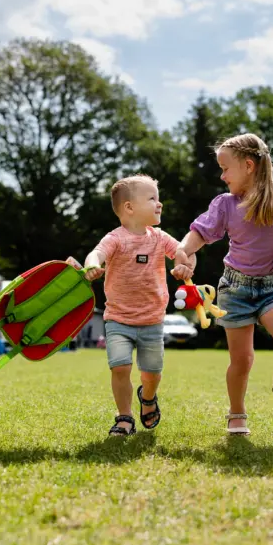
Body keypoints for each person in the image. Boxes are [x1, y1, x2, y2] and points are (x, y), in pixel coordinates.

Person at [176, 133, 273, 435]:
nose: (222, 176)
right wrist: (182, 251)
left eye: (226, 168)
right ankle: (236, 412)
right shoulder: (226, 204)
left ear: (249, 166)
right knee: (242, 360)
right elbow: (200, 232)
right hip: (235, 289)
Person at [82, 174, 193, 436]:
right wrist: (92, 265)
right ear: (129, 207)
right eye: (152, 198)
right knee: (120, 367)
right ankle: (124, 418)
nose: (160, 204)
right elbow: (96, 253)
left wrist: (182, 263)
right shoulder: (116, 238)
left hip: (152, 320)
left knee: (152, 373)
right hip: (118, 319)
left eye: (159, 198)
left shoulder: (159, 237)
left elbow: (181, 250)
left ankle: (148, 397)